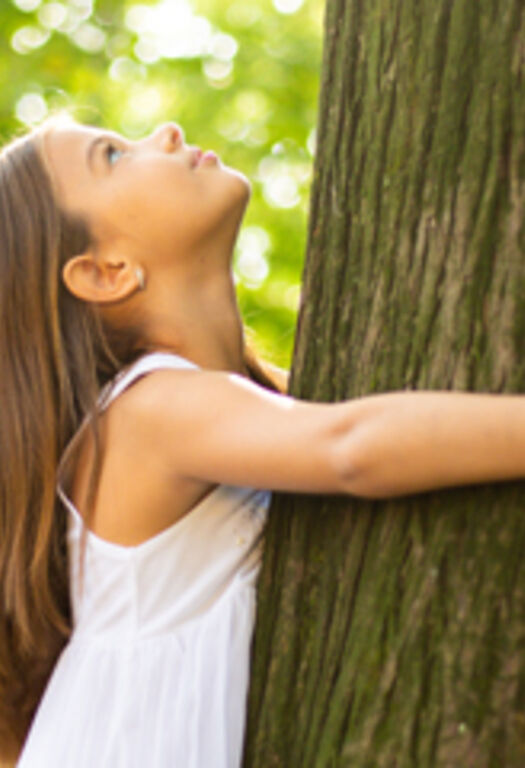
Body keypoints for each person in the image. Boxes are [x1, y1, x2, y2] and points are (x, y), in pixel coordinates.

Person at [0, 116, 524, 767]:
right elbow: (353, 448)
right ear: (107, 271)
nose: (165, 131)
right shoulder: (147, 413)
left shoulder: (226, 410)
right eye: (112, 155)